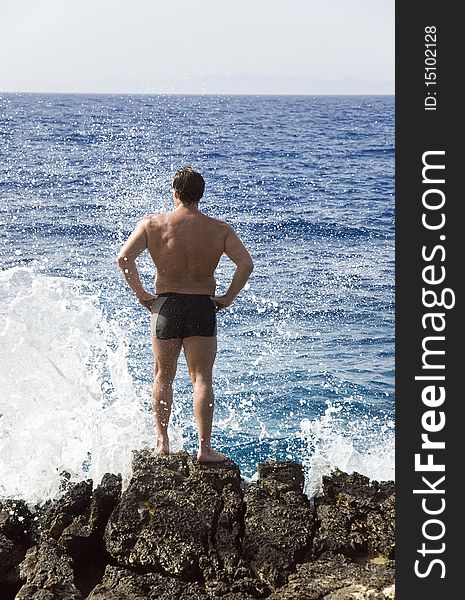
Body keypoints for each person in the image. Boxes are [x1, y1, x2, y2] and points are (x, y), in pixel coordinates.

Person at [117, 166, 254, 462]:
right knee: (202, 379)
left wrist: (142, 294)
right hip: (202, 307)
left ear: (175, 193)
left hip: (166, 306)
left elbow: (124, 258)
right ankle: (204, 449)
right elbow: (246, 265)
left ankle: (162, 443)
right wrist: (227, 298)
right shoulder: (220, 230)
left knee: (163, 376)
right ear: (200, 196)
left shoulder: (154, 224)